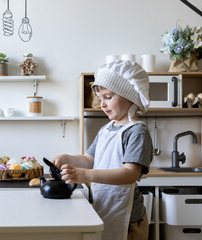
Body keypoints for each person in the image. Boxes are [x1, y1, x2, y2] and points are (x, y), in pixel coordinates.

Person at [53, 60, 153, 240]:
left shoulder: (137, 131)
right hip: (104, 206)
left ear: (129, 95)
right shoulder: (106, 129)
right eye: (100, 99)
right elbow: (88, 159)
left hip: (128, 219)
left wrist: (87, 175)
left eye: (108, 97)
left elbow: (130, 174)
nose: (102, 104)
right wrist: (67, 158)